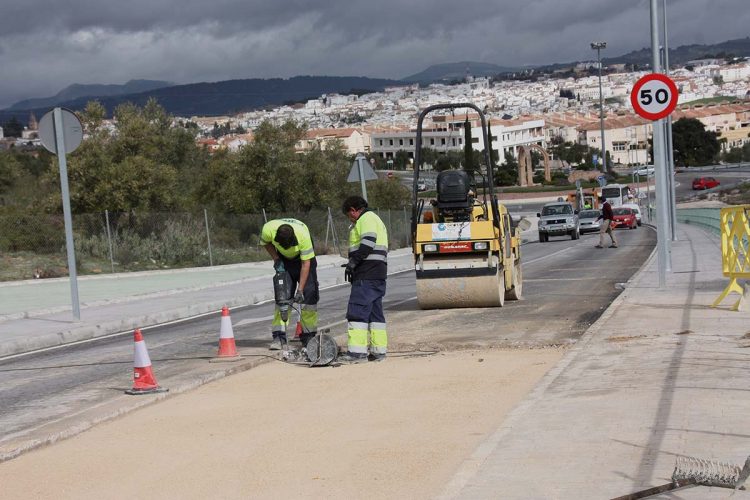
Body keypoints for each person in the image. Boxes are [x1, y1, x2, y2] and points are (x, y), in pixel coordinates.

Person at [339, 195, 389, 363]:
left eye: (349, 214)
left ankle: (356, 353)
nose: (350, 218)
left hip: (366, 274)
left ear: (354, 210)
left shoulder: (366, 218)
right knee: (375, 314)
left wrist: (353, 262)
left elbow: (368, 243)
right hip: (377, 272)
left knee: (357, 310)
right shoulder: (375, 219)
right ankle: (378, 351)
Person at [260, 219, 319, 350]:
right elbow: (266, 243)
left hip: (303, 261)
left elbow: (306, 264)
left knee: (309, 297)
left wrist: (300, 290)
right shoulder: (268, 230)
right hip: (284, 261)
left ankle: (309, 336)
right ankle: (279, 336)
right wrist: (276, 258)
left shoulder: (303, 236)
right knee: (282, 298)